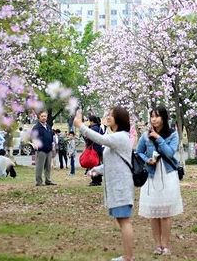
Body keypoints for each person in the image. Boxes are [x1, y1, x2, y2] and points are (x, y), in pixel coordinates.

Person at [73, 106, 135, 261]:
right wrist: (97, 169)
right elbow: (112, 162)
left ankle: (128, 257)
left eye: (111, 115)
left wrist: (80, 125)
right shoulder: (117, 136)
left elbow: (100, 139)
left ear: (119, 119)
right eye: (108, 114)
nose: (108, 117)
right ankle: (127, 256)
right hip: (115, 186)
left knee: (125, 221)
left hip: (121, 187)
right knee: (122, 221)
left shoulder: (121, 136)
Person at [136, 105, 183, 256]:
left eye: (157, 116)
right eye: (152, 116)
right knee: (154, 212)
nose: (154, 119)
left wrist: (159, 138)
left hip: (168, 174)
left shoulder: (173, 135)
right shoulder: (145, 135)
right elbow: (139, 152)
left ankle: (166, 244)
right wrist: (147, 159)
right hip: (151, 175)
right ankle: (157, 245)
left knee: (166, 212)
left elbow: (170, 153)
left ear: (164, 118)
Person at [32, 111, 56, 186]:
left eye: (45, 116)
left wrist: (52, 145)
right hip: (41, 150)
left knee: (48, 167)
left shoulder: (48, 127)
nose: (43, 118)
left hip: (49, 149)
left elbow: (51, 136)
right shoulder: (36, 127)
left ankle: (48, 180)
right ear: (39, 117)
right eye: (42, 116)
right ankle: (39, 182)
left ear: (47, 117)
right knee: (40, 166)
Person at [86, 115, 105, 186]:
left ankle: (95, 180)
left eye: (89, 121)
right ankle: (99, 179)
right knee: (98, 164)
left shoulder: (92, 129)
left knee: (93, 165)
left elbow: (89, 139)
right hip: (100, 149)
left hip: (93, 149)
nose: (89, 123)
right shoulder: (100, 128)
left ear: (92, 121)